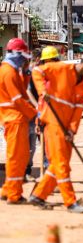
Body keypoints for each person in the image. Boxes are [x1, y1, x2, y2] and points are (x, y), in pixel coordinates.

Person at [29, 47, 83, 213]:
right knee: (62, 164)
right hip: (53, 122)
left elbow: (78, 109)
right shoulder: (60, 68)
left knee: (58, 165)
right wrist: (43, 91)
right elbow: (36, 71)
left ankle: (38, 195)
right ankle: (70, 202)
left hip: (66, 127)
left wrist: (72, 130)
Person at [0, 38, 37, 204]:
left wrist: (26, 73)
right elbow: (18, 99)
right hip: (14, 117)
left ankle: (8, 189)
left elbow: (21, 93)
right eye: (23, 57)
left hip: (15, 118)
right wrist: (36, 115)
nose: (25, 60)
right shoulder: (9, 72)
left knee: (18, 156)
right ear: (16, 54)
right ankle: (14, 195)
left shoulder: (12, 71)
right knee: (17, 157)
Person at [25, 47, 59, 180]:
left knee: (47, 144)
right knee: (32, 144)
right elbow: (29, 92)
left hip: (48, 114)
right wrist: (37, 107)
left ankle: (47, 172)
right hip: (34, 113)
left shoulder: (53, 74)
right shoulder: (35, 73)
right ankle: (28, 170)